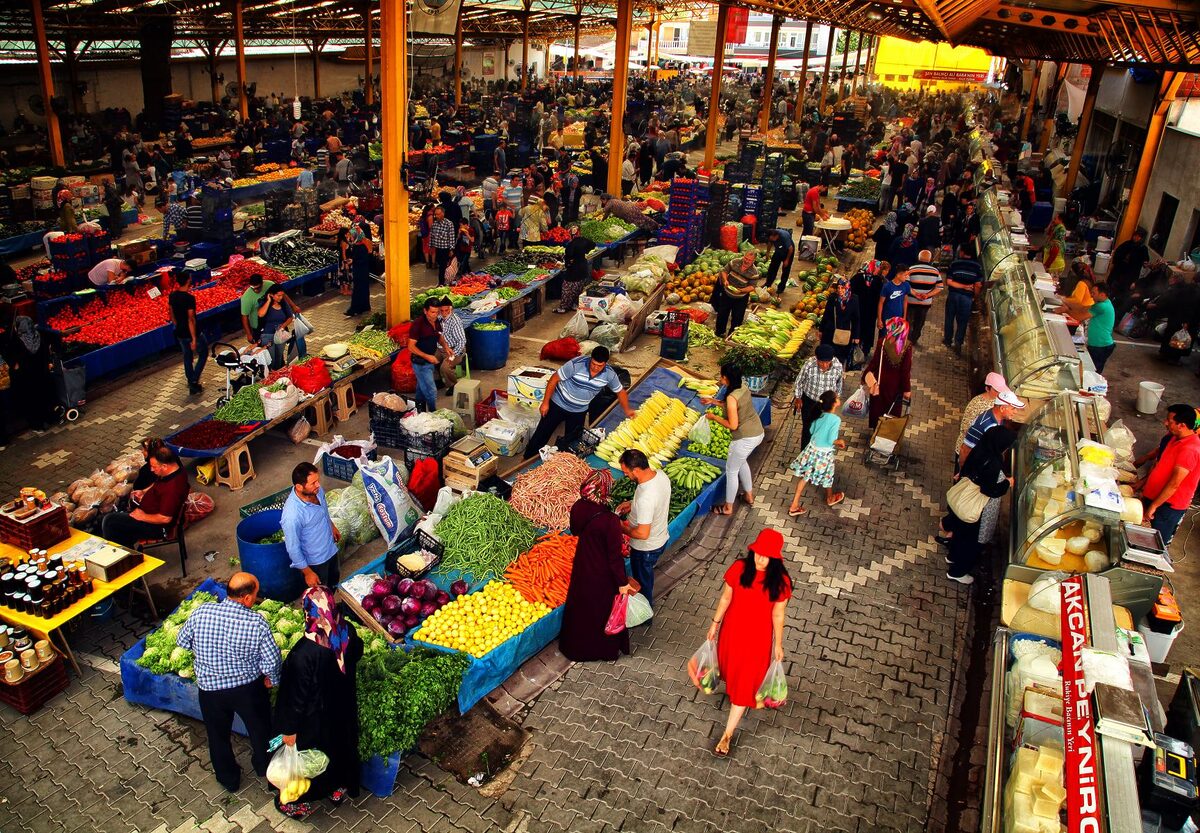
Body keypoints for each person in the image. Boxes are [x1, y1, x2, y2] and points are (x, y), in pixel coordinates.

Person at [177, 572, 281, 793]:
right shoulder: (257, 623)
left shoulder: (202, 612)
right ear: (246, 598)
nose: (256, 597)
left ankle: (228, 779)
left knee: (217, 736)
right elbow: (272, 662)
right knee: (261, 731)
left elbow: (182, 641)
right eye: (255, 593)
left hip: (210, 691)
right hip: (247, 691)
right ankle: (265, 767)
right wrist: (272, 679)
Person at [271, 586, 363, 819]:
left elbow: (296, 696)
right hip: (342, 708)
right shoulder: (346, 631)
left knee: (314, 758)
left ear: (308, 612)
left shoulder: (305, 652)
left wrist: (289, 729)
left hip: (315, 717)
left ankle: (298, 800)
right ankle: (338, 788)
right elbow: (357, 653)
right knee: (341, 748)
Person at [705, 528, 791, 758]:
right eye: (757, 553)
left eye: (766, 555)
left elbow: (778, 615)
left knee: (744, 686)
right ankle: (741, 696)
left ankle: (727, 735)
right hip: (731, 633)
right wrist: (715, 623)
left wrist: (778, 644)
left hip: (757, 641)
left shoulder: (781, 582)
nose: (760, 559)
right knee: (731, 671)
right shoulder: (739, 569)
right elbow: (725, 598)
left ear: (775, 557)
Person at [559, 470, 635, 662]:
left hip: (583, 563)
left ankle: (574, 648)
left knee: (581, 606)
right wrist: (622, 582)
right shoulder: (609, 519)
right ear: (604, 490)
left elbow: (576, 531)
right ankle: (601, 650)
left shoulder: (577, 507)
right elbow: (614, 556)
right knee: (600, 610)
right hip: (601, 571)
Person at [524, 347, 634, 458]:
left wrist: (627, 410)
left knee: (572, 442)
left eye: (600, 366)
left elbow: (620, 392)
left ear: (605, 364)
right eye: (593, 364)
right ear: (591, 359)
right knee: (541, 435)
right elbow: (554, 379)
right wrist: (545, 402)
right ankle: (525, 459)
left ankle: (564, 463)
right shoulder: (576, 364)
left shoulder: (610, 374)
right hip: (558, 405)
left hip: (579, 412)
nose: (595, 368)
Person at [945, 427, 1015, 584]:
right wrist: (1006, 484)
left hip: (962, 500)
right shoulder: (994, 462)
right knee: (970, 542)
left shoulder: (980, 448)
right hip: (973, 507)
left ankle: (952, 556)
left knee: (959, 533)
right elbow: (989, 490)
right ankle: (957, 572)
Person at [101, 445, 189, 547]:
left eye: (154, 467)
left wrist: (143, 516)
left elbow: (165, 518)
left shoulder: (173, 489)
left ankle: (123, 555)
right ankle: (127, 549)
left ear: (164, 466)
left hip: (157, 527)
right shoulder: (174, 469)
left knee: (109, 522)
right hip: (149, 513)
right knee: (116, 520)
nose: (151, 469)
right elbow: (158, 483)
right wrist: (144, 491)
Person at [707, 364, 765, 516]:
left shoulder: (732, 398)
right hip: (757, 431)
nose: (720, 379)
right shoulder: (743, 387)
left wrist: (714, 417)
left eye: (722, 376)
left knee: (731, 471)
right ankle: (748, 496)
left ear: (726, 378)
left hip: (744, 437)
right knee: (741, 462)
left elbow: (732, 425)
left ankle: (727, 507)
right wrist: (713, 402)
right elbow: (733, 406)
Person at [616, 449, 671, 607]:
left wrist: (621, 527)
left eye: (626, 472)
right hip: (661, 536)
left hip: (645, 549)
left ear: (636, 470)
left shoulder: (646, 498)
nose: (625, 475)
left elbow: (642, 533)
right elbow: (656, 502)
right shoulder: (660, 475)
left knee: (643, 583)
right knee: (646, 576)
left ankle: (645, 614)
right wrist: (632, 505)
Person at [1140, 404, 1200, 547]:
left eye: (1170, 421)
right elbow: (1159, 465)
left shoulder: (1190, 449)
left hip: (1167, 507)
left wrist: (1154, 506)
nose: (1165, 423)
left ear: (1182, 425)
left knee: (1154, 544)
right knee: (1141, 536)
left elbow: (1174, 484)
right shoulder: (1174, 438)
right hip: (1154, 498)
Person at [281, 462, 341, 588]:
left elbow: (323, 510)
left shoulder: (316, 491)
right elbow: (292, 548)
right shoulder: (292, 515)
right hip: (316, 562)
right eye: (313, 483)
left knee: (334, 583)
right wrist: (308, 572)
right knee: (320, 596)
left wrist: (331, 526)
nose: (318, 485)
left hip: (330, 549)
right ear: (299, 487)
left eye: (317, 480)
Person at [787, 389, 846, 515]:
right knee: (828, 475)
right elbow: (831, 439)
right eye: (837, 397)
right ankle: (828, 498)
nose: (838, 398)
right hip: (823, 454)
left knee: (806, 477)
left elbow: (812, 431)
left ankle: (795, 504)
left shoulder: (818, 415)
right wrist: (839, 442)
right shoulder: (835, 420)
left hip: (812, 450)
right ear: (834, 403)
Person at [958, 387, 1025, 472]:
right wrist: (963, 472)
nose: (1015, 412)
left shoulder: (1000, 420)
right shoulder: (983, 425)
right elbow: (965, 450)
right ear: (1002, 408)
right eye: (1013, 408)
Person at [862, 317, 913, 429]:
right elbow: (905, 371)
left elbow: (874, 363)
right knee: (892, 411)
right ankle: (887, 434)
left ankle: (876, 430)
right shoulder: (907, 346)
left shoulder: (882, 342)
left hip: (880, 382)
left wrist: (865, 375)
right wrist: (907, 389)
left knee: (878, 408)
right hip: (895, 386)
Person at [792, 344, 844, 449]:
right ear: (816, 359)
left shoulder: (838, 366)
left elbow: (839, 384)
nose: (824, 365)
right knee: (808, 429)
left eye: (827, 362)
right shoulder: (809, 365)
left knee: (824, 429)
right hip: (810, 401)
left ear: (832, 359)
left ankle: (819, 453)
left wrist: (836, 399)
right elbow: (799, 382)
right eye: (821, 362)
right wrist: (798, 398)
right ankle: (805, 454)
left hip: (827, 404)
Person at [169, 270, 206, 395]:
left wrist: (177, 325)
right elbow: (191, 319)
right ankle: (194, 381)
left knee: (187, 357)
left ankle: (191, 381)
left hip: (180, 332)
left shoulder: (172, 295)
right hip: (191, 333)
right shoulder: (189, 298)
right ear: (188, 280)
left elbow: (171, 313)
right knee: (203, 353)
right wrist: (194, 338)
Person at [943, 250, 982, 354]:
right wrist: (975, 297)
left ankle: (947, 340)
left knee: (949, 318)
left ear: (961, 253)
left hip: (953, 296)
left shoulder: (954, 264)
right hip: (967, 299)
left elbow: (949, 282)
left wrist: (961, 286)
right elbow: (978, 285)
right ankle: (958, 342)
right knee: (963, 321)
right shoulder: (977, 267)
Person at [713, 249, 759, 337]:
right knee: (722, 313)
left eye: (749, 260)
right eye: (745, 258)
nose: (746, 261)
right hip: (727, 293)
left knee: (737, 318)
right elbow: (724, 271)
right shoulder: (735, 262)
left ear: (753, 261)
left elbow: (752, 287)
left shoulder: (754, 272)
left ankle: (732, 335)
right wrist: (725, 280)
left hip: (741, 298)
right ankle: (719, 332)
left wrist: (741, 290)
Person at [408, 298, 442, 412]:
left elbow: (438, 335)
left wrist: (446, 347)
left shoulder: (436, 321)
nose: (435, 315)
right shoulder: (418, 324)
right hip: (420, 363)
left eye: (437, 312)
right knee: (431, 390)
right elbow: (411, 346)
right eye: (432, 312)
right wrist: (427, 356)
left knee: (421, 389)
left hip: (429, 361)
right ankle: (434, 413)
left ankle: (418, 411)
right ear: (425, 311)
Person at [1075, 282, 1116, 373]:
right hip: (1101, 345)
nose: (1091, 295)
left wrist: (1066, 310)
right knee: (1092, 370)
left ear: (1102, 294)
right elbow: (1084, 310)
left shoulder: (1101, 306)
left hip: (1100, 346)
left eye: (1093, 293)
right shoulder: (1106, 302)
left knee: (1092, 372)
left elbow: (1079, 317)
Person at [819, 277, 860, 365]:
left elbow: (856, 319)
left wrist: (856, 336)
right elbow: (826, 315)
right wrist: (821, 330)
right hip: (831, 332)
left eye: (843, 288)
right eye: (838, 288)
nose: (840, 290)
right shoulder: (833, 298)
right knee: (828, 357)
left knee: (841, 358)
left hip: (845, 334)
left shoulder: (854, 299)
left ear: (848, 288)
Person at [905, 250, 943, 346]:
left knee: (908, 320)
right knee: (920, 322)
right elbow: (939, 287)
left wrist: (915, 294)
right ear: (930, 259)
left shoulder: (911, 269)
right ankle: (914, 339)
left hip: (911, 301)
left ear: (919, 257)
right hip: (925, 303)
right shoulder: (935, 271)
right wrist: (927, 295)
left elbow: (906, 285)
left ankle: (907, 339)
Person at [556, 225, 593, 314]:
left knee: (567, 289)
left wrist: (567, 265)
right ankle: (574, 304)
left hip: (574, 270)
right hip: (583, 268)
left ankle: (564, 307)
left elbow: (569, 257)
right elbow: (592, 245)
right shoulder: (584, 241)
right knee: (578, 288)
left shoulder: (571, 245)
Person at [258, 286, 296, 369]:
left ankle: (277, 374)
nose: (281, 298)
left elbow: (290, 317)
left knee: (279, 357)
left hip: (280, 335)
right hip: (268, 336)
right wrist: (268, 301)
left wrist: (283, 326)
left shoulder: (283, 303)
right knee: (271, 359)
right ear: (271, 295)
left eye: (282, 295)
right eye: (278, 296)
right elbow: (261, 314)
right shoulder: (264, 303)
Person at [1109, 228, 1150, 297]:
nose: (1136, 238)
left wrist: (1145, 263)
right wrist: (1113, 264)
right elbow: (1117, 253)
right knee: (1113, 284)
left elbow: (1145, 260)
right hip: (1119, 269)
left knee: (1124, 290)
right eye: (1135, 235)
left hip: (1131, 273)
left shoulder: (1143, 249)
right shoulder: (1127, 244)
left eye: (1139, 237)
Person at [345, 223, 373, 316]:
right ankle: (364, 306)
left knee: (358, 289)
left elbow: (364, 258)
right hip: (362, 270)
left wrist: (353, 261)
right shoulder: (361, 243)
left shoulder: (361, 245)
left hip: (360, 270)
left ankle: (355, 309)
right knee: (363, 288)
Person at [240, 273, 276, 344]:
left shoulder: (270, 285)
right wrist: (249, 334)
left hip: (272, 321)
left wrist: (293, 306)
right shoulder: (247, 298)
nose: (256, 290)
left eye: (258, 288)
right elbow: (244, 317)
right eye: (253, 288)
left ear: (262, 283)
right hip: (258, 326)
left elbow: (282, 294)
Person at [877, 268, 911, 342]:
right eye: (905, 275)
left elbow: (905, 301)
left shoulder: (906, 285)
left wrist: (904, 317)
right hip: (886, 318)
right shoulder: (887, 286)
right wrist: (879, 319)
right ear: (898, 275)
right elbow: (881, 302)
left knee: (895, 340)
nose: (907, 277)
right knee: (883, 340)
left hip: (898, 319)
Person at [430, 206, 456, 286]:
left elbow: (451, 237)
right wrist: (431, 246)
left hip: (445, 249)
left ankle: (442, 283)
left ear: (443, 214)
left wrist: (451, 249)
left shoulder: (449, 224)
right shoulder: (434, 224)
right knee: (441, 266)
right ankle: (444, 281)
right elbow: (432, 235)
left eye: (438, 214)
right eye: (435, 214)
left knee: (443, 267)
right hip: (438, 248)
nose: (436, 216)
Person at [766, 228, 795, 295]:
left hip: (788, 251)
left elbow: (790, 249)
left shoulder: (784, 237)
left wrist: (787, 260)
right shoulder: (772, 236)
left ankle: (781, 287)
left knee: (785, 270)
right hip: (779, 250)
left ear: (775, 236)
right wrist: (768, 253)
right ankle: (768, 284)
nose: (773, 241)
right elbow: (770, 243)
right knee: (772, 267)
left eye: (773, 239)